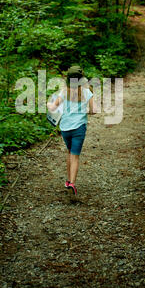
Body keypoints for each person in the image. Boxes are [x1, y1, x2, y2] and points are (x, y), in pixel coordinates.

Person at [47, 65, 95, 196]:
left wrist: (48, 104)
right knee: (75, 155)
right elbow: (94, 111)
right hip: (79, 128)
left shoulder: (64, 92)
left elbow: (53, 108)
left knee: (69, 152)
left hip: (65, 128)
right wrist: (87, 111)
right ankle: (72, 183)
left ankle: (68, 181)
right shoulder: (87, 92)